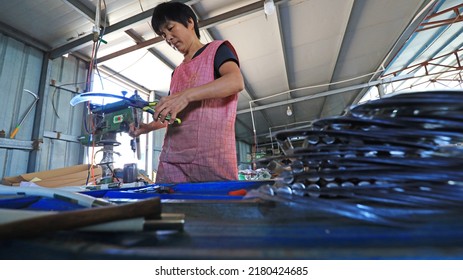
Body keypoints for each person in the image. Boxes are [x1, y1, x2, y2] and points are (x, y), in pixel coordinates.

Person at [129, 2, 244, 183]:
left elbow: (235, 81)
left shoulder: (217, 50)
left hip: (211, 159)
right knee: (168, 207)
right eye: (163, 35)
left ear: (190, 22)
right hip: (173, 160)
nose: (169, 38)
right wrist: (148, 127)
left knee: (216, 207)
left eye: (170, 28)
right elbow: (172, 114)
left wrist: (186, 95)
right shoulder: (176, 73)